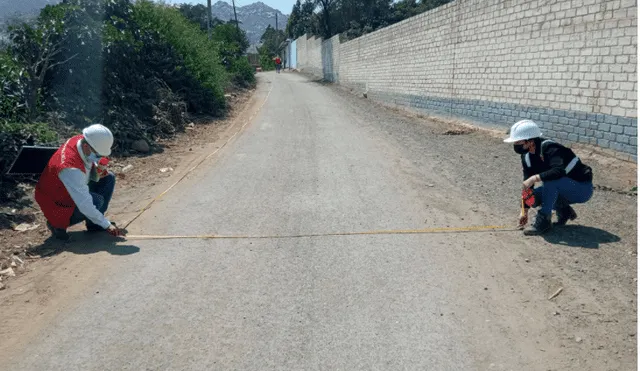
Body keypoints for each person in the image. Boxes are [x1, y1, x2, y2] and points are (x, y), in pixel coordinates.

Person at [35, 124, 126, 240]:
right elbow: (85, 204)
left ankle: (94, 224)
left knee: (109, 178)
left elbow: (86, 168)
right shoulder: (70, 169)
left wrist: (97, 169)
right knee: (96, 201)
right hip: (56, 203)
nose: (99, 158)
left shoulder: (81, 139)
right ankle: (56, 225)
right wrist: (107, 225)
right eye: (98, 155)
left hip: (70, 188)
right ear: (86, 146)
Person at [504, 120, 594, 235]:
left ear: (530, 141)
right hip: (564, 188)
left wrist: (534, 178)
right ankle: (564, 210)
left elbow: (558, 171)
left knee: (550, 182)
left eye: (517, 142)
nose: (515, 145)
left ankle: (544, 223)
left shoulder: (551, 148)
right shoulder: (526, 156)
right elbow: (527, 184)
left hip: (582, 189)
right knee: (533, 197)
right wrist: (524, 210)